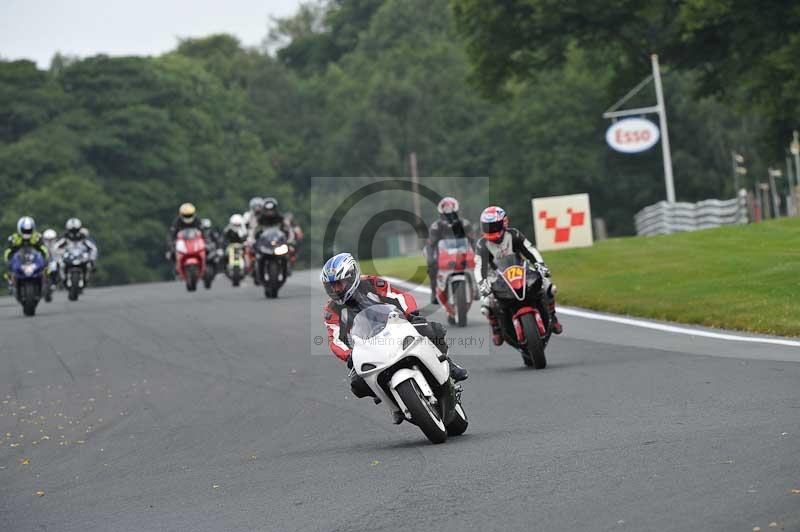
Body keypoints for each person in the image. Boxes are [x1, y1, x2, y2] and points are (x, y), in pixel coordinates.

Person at [321, 253, 468, 422]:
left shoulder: (373, 283)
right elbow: (334, 339)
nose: (336, 290)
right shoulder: (331, 310)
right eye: (331, 286)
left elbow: (400, 296)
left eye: (339, 284)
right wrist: (349, 355)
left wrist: (410, 313)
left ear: (352, 276)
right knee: (357, 384)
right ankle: (388, 398)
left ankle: (447, 362)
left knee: (426, 328)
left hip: (395, 326)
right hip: (367, 345)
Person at [474, 206, 562, 346]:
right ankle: (496, 328)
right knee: (486, 303)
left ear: (504, 222)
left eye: (493, 225)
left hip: (520, 269)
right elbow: (479, 267)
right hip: (495, 275)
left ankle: (552, 316)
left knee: (548, 286)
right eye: (487, 226)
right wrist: (482, 283)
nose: (490, 229)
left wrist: (540, 265)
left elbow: (530, 250)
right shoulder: (482, 244)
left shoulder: (514, 234)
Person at [425, 196, 475, 305]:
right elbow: (430, 245)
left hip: (463, 252)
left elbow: (473, 241)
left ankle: (476, 288)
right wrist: (430, 259)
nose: (449, 215)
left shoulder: (465, 224)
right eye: (446, 211)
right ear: (441, 211)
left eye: (451, 211)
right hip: (443, 254)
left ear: (456, 210)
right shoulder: (436, 226)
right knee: (432, 265)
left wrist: (477, 255)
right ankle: (434, 292)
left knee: (478, 262)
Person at [4, 217, 50, 292]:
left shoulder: (37, 237)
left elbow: (43, 249)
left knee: (47, 269)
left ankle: (46, 284)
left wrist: (46, 258)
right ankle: (11, 284)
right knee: (9, 271)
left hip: (33, 260)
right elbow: (8, 251)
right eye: (25, 230)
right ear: (19, 229)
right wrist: (8, 260)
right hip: (20, 260)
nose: (27, 232)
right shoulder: (14, 238)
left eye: (29, 230)